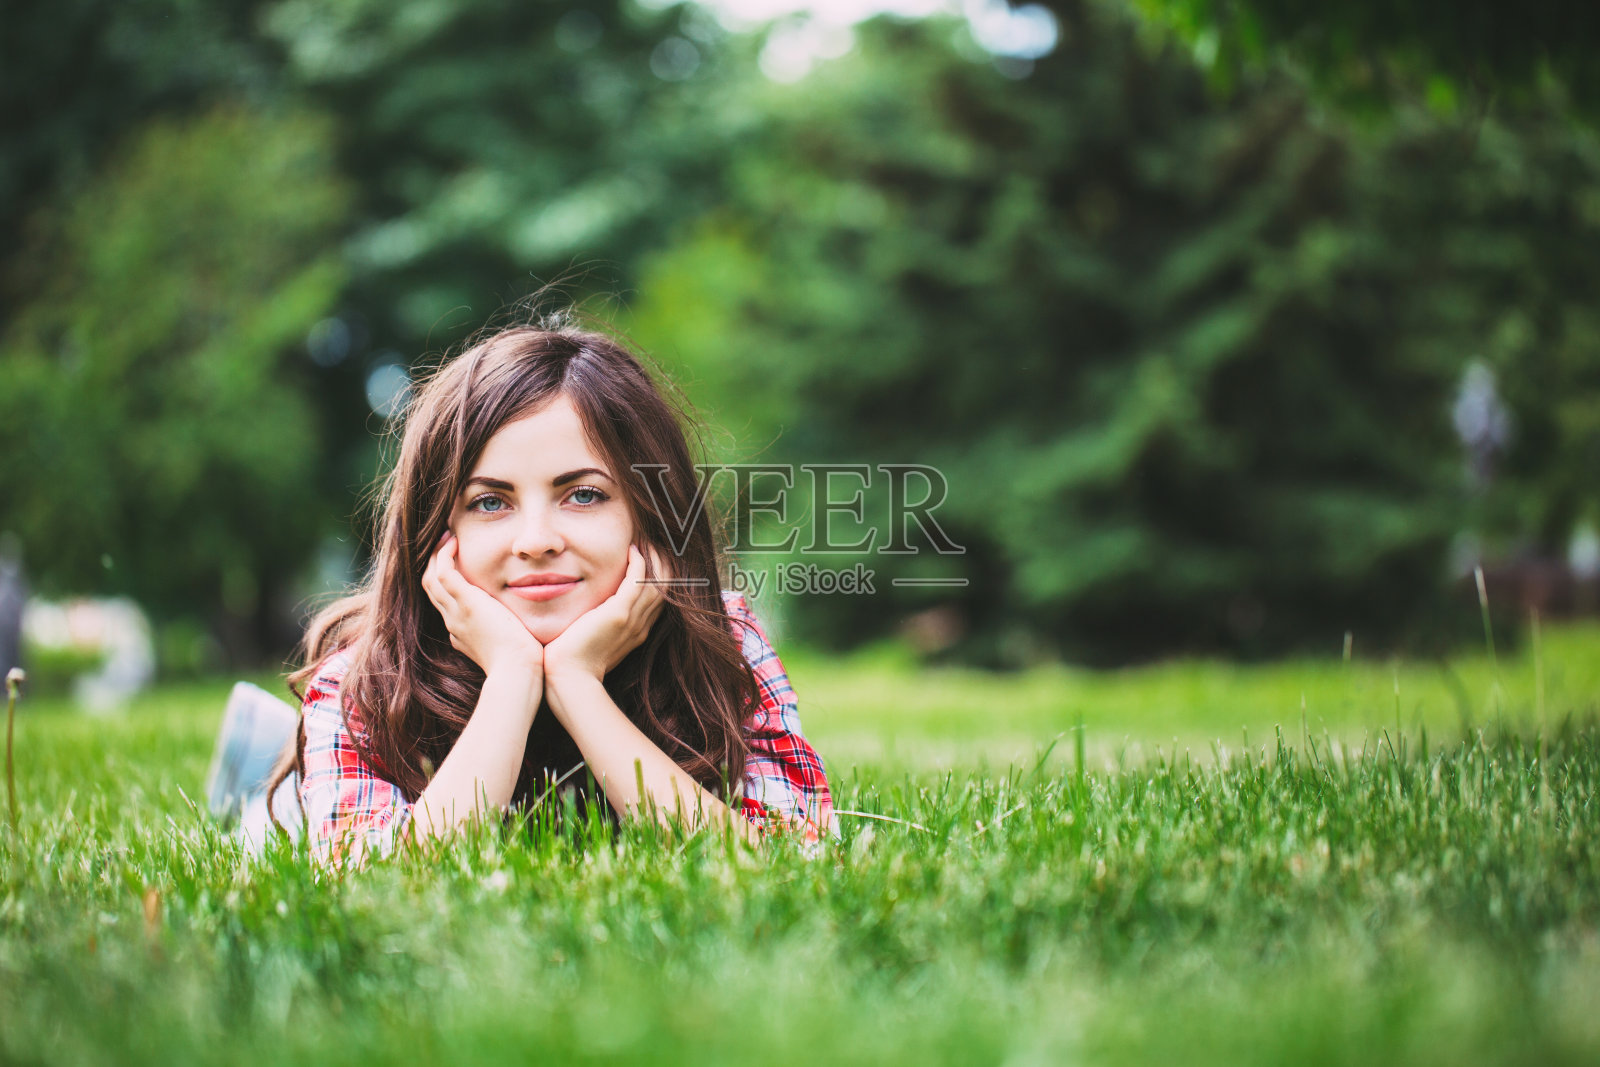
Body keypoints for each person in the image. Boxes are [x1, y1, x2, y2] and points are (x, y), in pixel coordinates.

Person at [257, 319, 832, 866]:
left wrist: (578, 684)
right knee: (259, 805)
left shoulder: (723, 641)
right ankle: (253, 745)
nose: (535, 542)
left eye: (583, 495)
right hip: (314, 774)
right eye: (489, 502)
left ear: (652, 515)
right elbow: (372, 884)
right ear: (436, 531)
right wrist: (512, 675)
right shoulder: (364, 678)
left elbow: (797, 859)